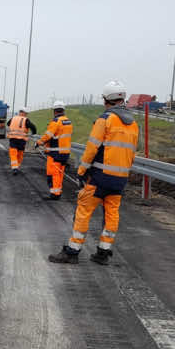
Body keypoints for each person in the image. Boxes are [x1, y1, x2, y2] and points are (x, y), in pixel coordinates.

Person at [50, 81, 138, 265]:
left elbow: (91, 148)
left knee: (83, 210)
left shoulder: (105, 119)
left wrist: (81, 171)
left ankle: (72, 252)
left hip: (100, 177)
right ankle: (103, 252)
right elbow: (131, 152)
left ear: (106, 99)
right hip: (120, 179)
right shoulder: (133, 124)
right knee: (112, 213)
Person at [35, 101, 72, 200]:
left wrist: (39, 142)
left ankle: (55, 194)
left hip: (55, 153)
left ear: (54, 111)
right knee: (60, 173)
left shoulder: (56, 122)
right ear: (63, 110)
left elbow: (48, 135)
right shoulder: (68, 121)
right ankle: (58, 191)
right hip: (65, 153)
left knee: (52, 173)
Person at [6, 107, 37, 174]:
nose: (26, 115)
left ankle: (15, 167)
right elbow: (33, 127)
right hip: (22, 140)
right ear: (23, 113)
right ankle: (17, 166)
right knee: (20, 154)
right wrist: (34, 133)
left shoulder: (13, 118)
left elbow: (8, 124)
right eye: (26, 113)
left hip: (13, 139)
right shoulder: (26, 120)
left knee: (13, 153)